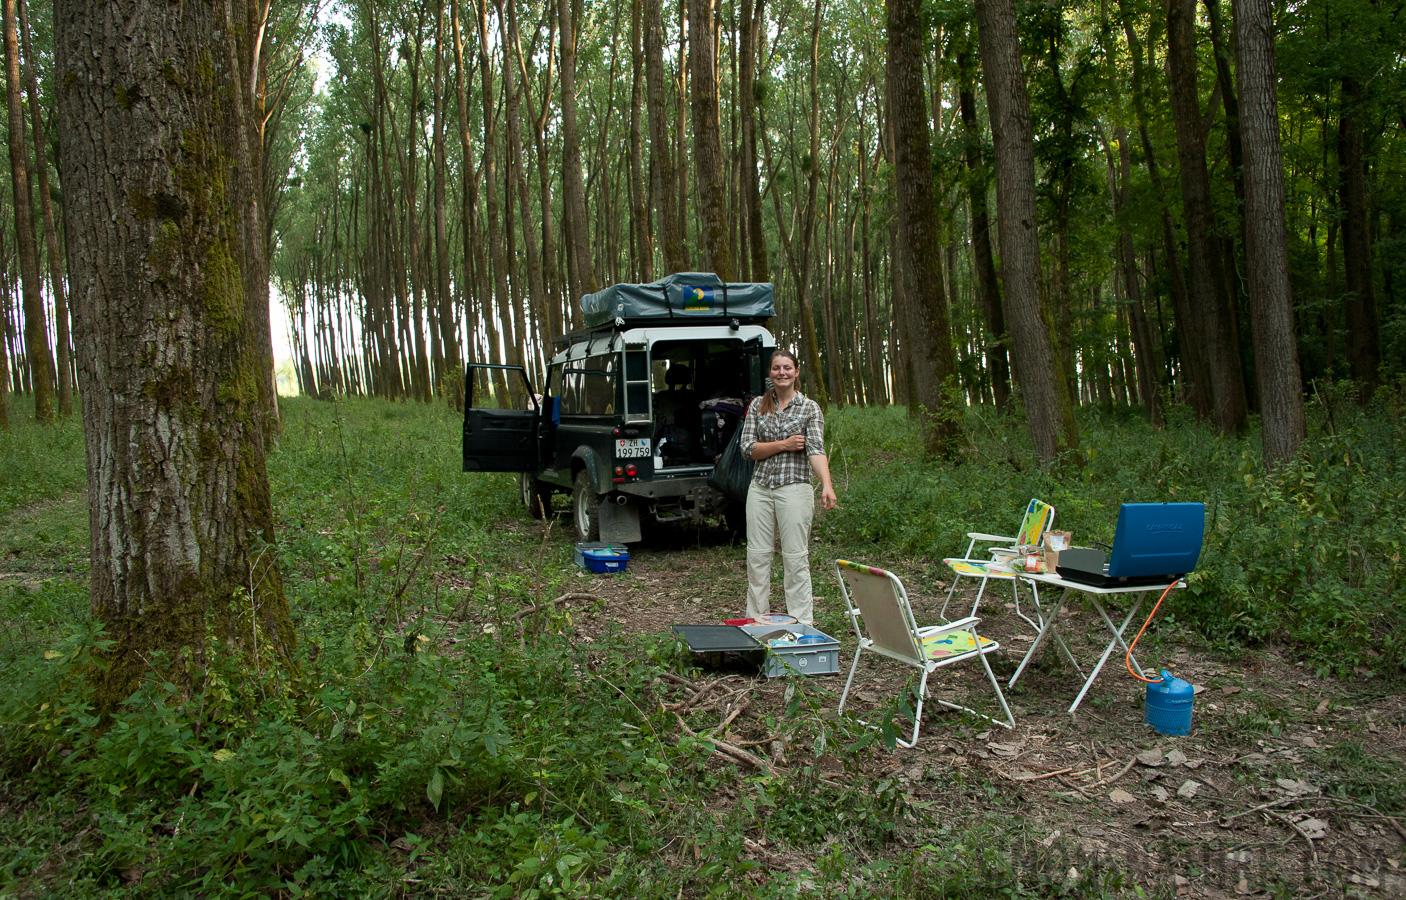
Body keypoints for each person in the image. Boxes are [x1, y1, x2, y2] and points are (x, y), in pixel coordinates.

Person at [739, 349, 837, 625]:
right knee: (757, 557)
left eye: (787, 368)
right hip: (760, 489)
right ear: (770, 373)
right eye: (776, 368)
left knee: (795, 558)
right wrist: (784, 444)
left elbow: (816, 450)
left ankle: (801, 623)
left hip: (794, 489)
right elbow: (747, 449)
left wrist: (826, 485)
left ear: (796, 372)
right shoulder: (758, 405)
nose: (782, 373)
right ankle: (755, 620)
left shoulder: (809, 408)